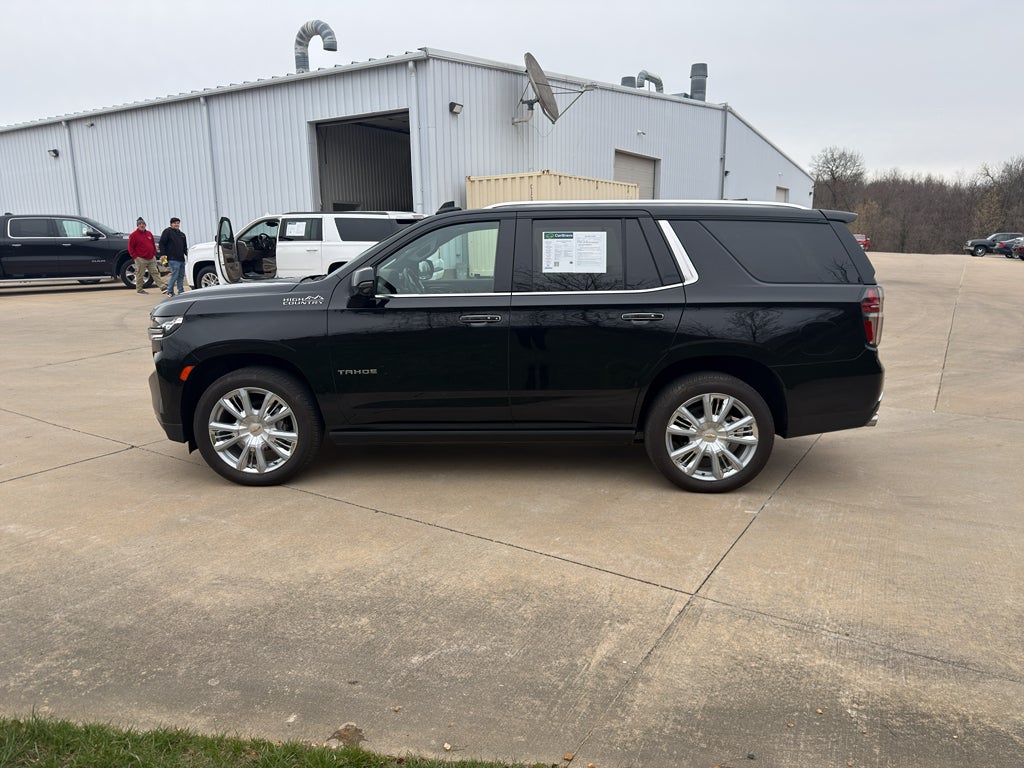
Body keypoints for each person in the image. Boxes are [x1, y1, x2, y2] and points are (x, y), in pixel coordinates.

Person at [127, 217, 166, 295]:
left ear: (145, 225)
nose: (142, 225)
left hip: (151, 257)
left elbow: (152, 244)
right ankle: (139, 289)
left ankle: (163, 288)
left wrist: (154, 253)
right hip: (140, 258)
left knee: (155, 273)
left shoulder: (149, 233)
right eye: (140, 224)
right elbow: (130, 247)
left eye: (143, 224)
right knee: (140, 274)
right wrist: (135, 257)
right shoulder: (133, 235)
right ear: (137, 225)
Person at [158, 217, 189, 297]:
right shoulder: (167, 232)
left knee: (181, 275)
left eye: (178, 223)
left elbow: (184, 247)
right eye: (175, 223)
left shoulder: (182, 234)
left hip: (181, 259)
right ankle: (170, 291)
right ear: (171, 224)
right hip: (172, 258)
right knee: (175, 274)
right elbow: (162, 243)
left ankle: (181, 291)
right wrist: (163, 255)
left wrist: (188, 255)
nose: (176, 224)